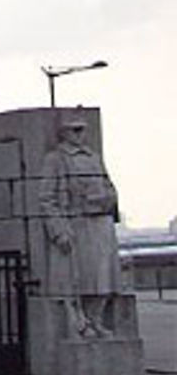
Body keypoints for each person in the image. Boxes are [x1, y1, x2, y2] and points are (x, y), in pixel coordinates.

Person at [40, 118, 122, 338]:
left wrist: (106, 199)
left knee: (104, 278)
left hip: (101, 224)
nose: (79, 135)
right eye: (74, 130)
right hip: (77, 223)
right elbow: (47, 199)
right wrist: (59, 230)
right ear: (64, 133)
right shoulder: (56, 159)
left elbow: (110, 187)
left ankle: (96, 320)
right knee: (80, 279)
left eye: (82, 130)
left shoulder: (94, 158)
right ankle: (81, 322)